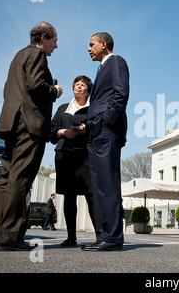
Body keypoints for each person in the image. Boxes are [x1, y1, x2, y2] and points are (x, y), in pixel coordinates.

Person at [0, 22, 63, 251]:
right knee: (20, 177)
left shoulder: (18, 56)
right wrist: (54, 91)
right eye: (54, 40)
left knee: (4, 178)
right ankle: (9, 236)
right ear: (43, 37)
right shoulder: (37, 54)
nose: (56, 45)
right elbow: (36, 86)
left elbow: (10, 89)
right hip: (30, 124)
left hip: (11, 124)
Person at [82, 32, 129, 251]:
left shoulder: (116, 61)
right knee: (99, 185)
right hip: (95, 132)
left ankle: (111, 236)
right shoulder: (101, 68)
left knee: (108, 184)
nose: (89, 49)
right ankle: (103, 235)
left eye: (92, 45)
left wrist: (106, 121)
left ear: (103, 44)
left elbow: (121, 94)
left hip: (106, 131)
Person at [50, 75, 96, 246]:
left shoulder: (93, 109)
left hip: (85, 155)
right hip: (65, 155)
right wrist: (63, 132)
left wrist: (87, 129)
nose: (79, 87)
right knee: (69, 197)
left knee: (90, 196)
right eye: (77, 84)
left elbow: (100, 131)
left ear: (88, 91)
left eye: (83, 85)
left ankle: (100, 236)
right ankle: (71, 237)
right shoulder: (63, 108)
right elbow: (51, 131)